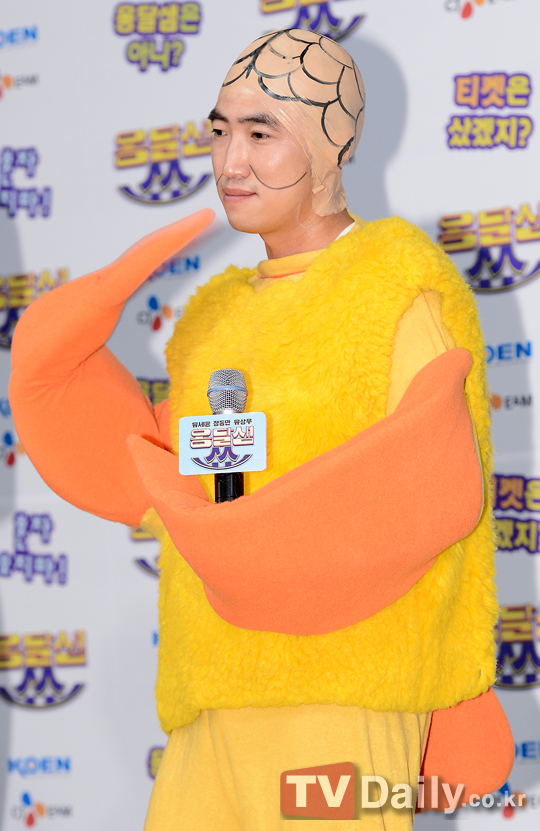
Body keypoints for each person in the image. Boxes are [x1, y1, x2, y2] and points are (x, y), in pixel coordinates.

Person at [10, 29, 513, 831]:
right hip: (212, 696)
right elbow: (155, 475)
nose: (230, 161)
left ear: (333, 145)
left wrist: (251, 550)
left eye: (260, 132)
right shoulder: (212, 317)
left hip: (343, 700)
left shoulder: (394, 287)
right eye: (220, 131)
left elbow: (430, 486)